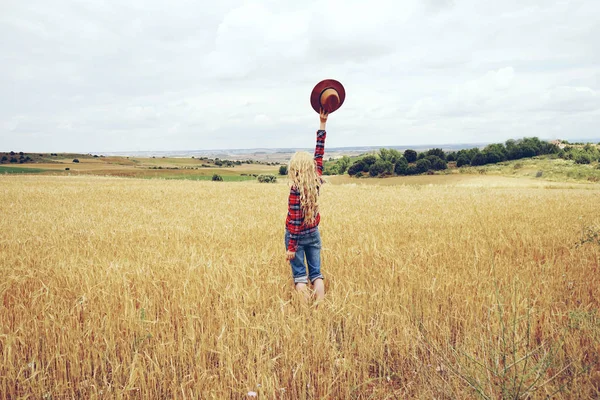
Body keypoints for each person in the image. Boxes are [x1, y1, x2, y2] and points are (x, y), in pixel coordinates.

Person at [284, 109, 328, 302]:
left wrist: (291, 248)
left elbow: (294, 224)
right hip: (313, 233)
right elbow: (319, 153)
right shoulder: (315, 182)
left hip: (298, 236)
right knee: (316, 274)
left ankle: (305, 315)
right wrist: (322, 124)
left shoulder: (295, 191)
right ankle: (320, 309)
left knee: (300, 278)